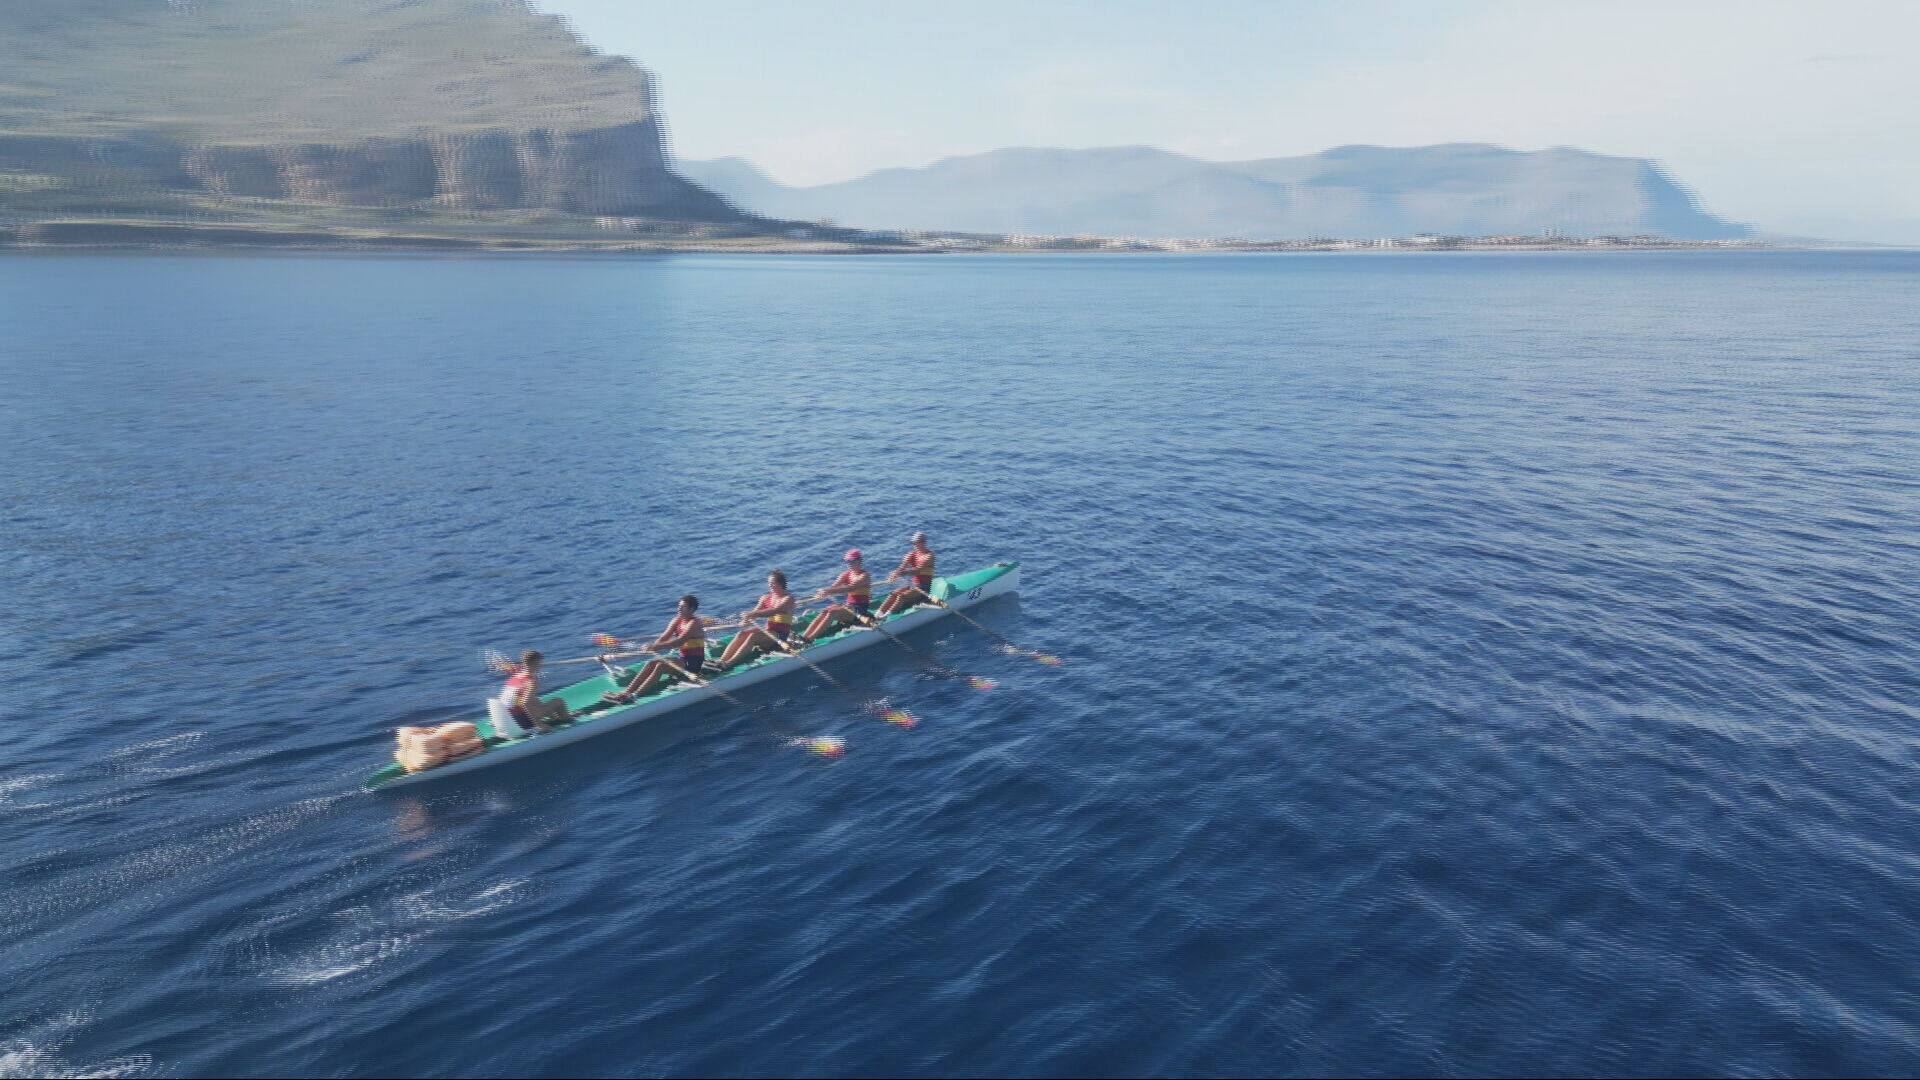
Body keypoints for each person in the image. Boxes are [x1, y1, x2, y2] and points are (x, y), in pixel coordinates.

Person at [603, 595, 716, 704]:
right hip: (682, 659)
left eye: (683, 607)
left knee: (661, 666)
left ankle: (634, 695)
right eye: (679, 606)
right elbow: (664, 637)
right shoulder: (677, 620)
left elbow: (679, 641)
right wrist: (653, 647)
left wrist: (656, 647)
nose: (678, 609)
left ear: (691, 609)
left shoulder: (694, 623)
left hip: (693, 663)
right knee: (651, 663)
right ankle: (626, 692)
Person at [718, 570, 798, 668]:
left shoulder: (788, 599)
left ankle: (729, 663)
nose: (770, 586)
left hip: (779, 636)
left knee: (752, 637)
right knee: (741, 634)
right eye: (769, 583)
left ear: (781, 584)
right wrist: (746, 620)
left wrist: (751, 614)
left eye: (773, 583)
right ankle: (721, 661)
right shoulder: (765, 598)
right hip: (769, 631)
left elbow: (774, 611)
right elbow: (755, 612)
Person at [802, 549, 874, 642]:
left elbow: (850, 588)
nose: (849, 564)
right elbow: (834, 586)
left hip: (859, 610)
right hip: (849, 607)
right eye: (848, 561)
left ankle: (809, 640)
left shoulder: (865, 576)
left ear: (859, 561)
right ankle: (803, 638)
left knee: (832, 612)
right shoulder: (846, 574)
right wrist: (823, 592)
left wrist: (827, 591)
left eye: (852, 561)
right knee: (826, 610)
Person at [500, 650, 570, 733]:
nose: (542, 665)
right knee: (559, 701)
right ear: (537, 663)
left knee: (534, 701)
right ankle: (567, 720)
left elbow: (528, 700)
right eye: (541, 663)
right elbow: (524, 703)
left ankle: (557, 718)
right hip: (524, 721)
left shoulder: (515, 677)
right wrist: (539, 725)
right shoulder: (531, 681)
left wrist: (552, 716)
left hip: (511, 719)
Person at [878, 531, 938, 616]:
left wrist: (900, 573)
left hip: (924, 588)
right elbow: (902, 567)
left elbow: (917, 570)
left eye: (916, 543)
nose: (914, 545)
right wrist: (895, 573)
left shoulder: (929, 556)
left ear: (923, 542)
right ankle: (877, 615)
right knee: (893, 594)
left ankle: (886, 617)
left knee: (901, 596)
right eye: (913, 543)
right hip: (912, 585)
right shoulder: (912, 554)